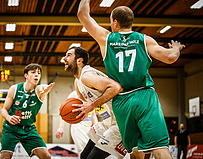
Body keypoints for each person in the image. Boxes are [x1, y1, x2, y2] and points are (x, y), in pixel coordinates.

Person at [77, 1, 185, 159]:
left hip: (122, 103)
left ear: (115, 22)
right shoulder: (144, 40)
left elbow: (82, 15)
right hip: (144, 98)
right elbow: (170, 58)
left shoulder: (106, 38)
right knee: (160, 149)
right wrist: (176, 47)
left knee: (135, 152)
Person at [63, 46, 127, 159]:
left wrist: (92, 105)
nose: (64, 58)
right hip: (107, 123)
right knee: (84, 156)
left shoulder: (87, 76)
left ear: (79, 60)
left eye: (68, 55)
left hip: (120, 123)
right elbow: (83, 105)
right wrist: (79, 113)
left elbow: (116, 87)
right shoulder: (77, 81)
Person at [0, 63, 55, 159]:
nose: (37, 74)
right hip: (11, 128)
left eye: (39, 73)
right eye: (33, 72)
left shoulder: (39, 89)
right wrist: (9, 117)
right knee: (6, 156)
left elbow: (42, 87)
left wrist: (46, 89)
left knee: (46, 156)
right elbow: (4, 110)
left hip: (28, 129)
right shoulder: (14, 89)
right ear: (26, 75)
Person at [55, 90, 95, 155]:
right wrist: (61, 127)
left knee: (92, 153)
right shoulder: (74, 94)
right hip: (78, 126)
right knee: (84, 152)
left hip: (89, 127)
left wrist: (96, 126)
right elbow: (63, 112)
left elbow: (93, 114)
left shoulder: (91, 93)